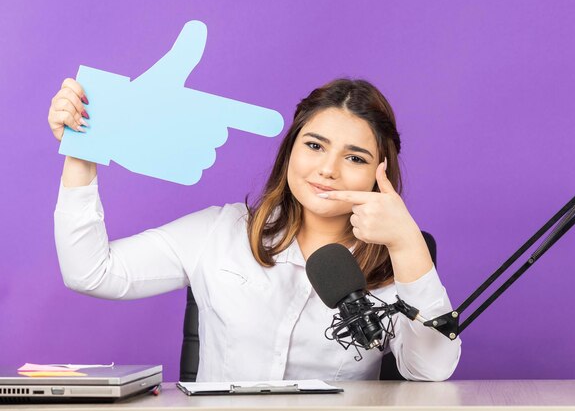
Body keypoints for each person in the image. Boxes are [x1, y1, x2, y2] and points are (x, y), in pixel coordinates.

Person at [50, 77, 461, 382]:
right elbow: (90, 271)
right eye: (314, 146)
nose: (328, 170)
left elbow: (430, 369)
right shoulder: (219, 231)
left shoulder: (395, 265)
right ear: (290, 151)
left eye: (354, 158)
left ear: (379, 172)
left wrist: (406, 242)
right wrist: (84, 148)